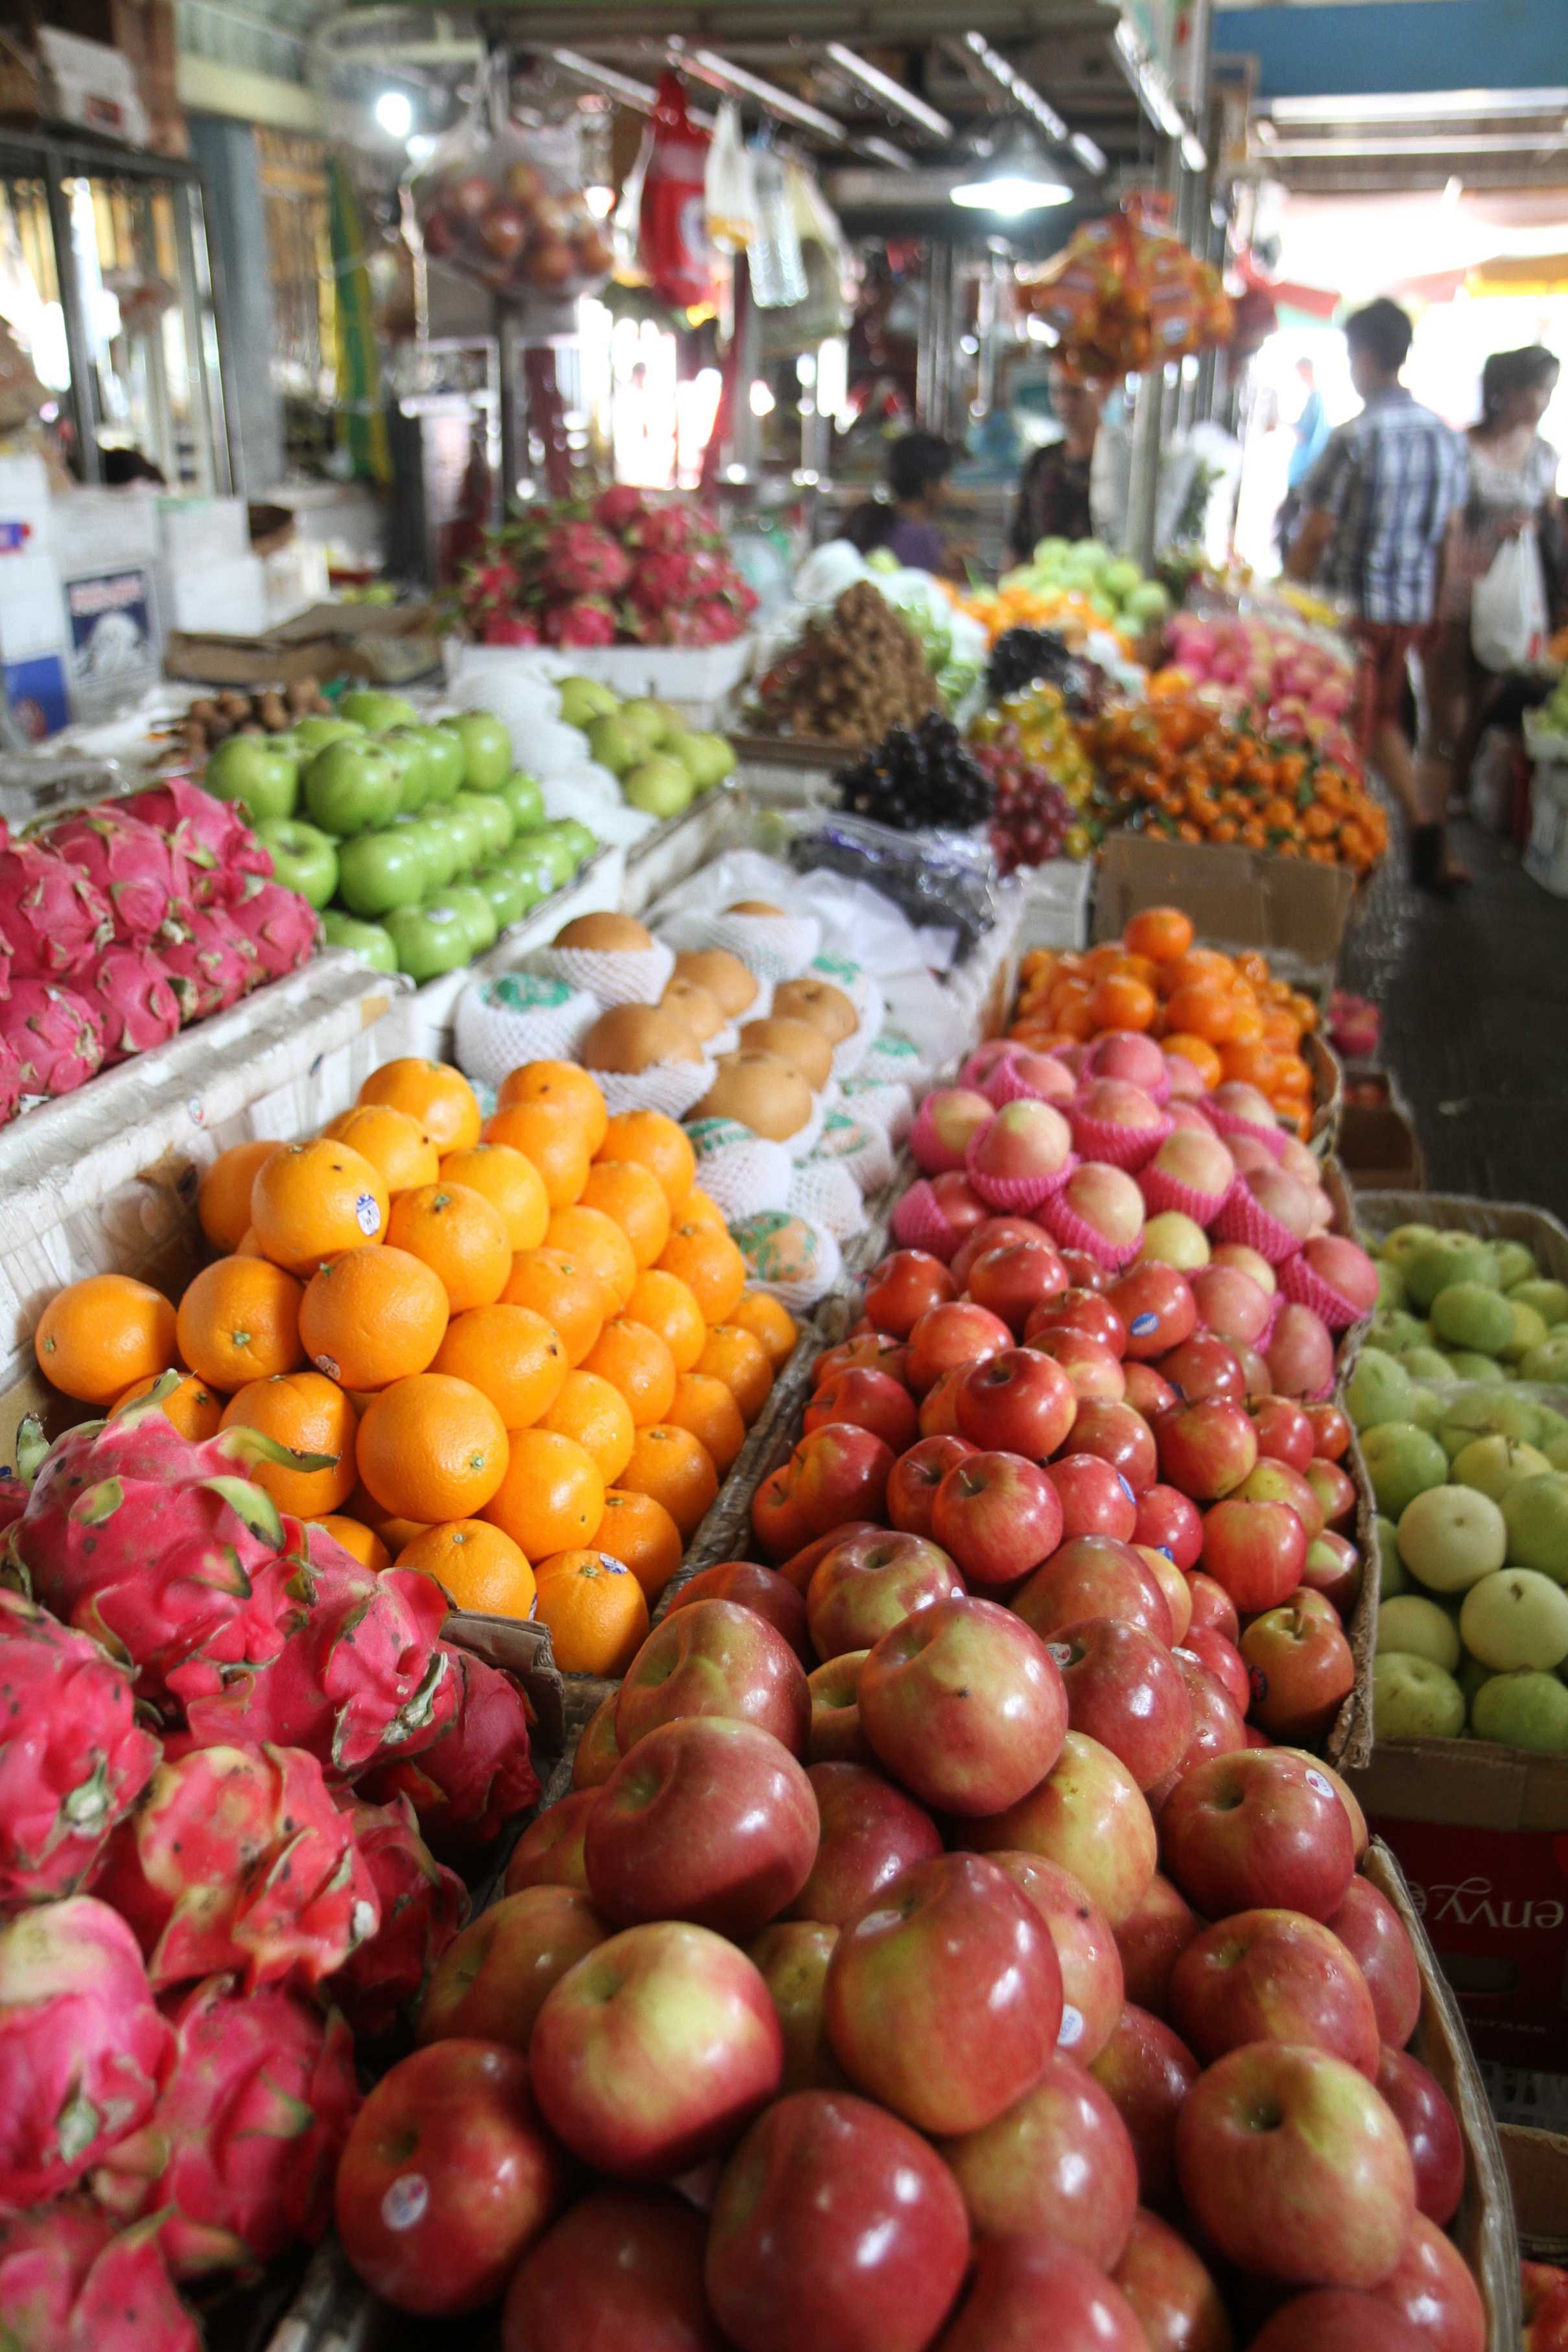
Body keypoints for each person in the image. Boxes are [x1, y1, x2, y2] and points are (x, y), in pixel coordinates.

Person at [1287, 298, 1469, 892]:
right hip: (1410, 612)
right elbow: (1449, 535)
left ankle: (1355, 853)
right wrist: (1437, 608)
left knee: (1353, 729)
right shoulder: (1443, 438)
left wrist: (1285, 601)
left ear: (1364, 357)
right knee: (1382, 720)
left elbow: (1315, 532)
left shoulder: (1355, 436)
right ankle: (1418, 840)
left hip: (1355, 615)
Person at [1425, 345, 1563, 808]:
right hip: (1461, 586)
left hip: (1511, 594)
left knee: (1486, 689)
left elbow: (1549, 520)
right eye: (1537, 390)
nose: (1542, 401)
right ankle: (1436, 790)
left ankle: (1456, 780)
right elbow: (1447, 521)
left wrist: (1537, 526)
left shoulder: (1545, 456)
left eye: (1548, 392)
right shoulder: (1464, 448)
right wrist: (1440, 593)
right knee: (1449, 698)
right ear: (1506, 391)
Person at [1009, 369, 1105, 558]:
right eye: (1058, 392)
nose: (1064, 403)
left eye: (1075, 393)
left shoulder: (1113, 463)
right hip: (1042, 584)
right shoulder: (1042, 461)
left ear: (1100, 393)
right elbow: (1018, 538)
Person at [843, 431, 954, 570]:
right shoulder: (920, 539)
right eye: (946, 479)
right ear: (929, 485)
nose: (950, 488)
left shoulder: (869, 521)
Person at [1276, 357, 1328, 556]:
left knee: (1288, 526)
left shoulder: (1316, 401)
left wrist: (1282, 423)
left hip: (1304, 474)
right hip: (1302, 473)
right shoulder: (1315, 400)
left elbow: (1304, 435)